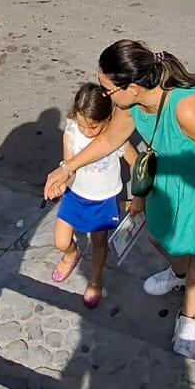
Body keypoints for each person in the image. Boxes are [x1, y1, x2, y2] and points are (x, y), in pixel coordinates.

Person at [44, 41, 195, 359]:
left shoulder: (186, 108)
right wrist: (66, 168)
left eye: (108, 89)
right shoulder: (131, 105)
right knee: (159, 236)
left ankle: (187, 319)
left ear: (130, 86)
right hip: (171, 174)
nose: (105, 96)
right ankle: (178, 275)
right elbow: (108, 139)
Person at [52, 82, 137, 309]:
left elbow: (135, 162)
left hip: (103, 198)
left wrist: (143, 189)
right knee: (61, 241)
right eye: (82, 125)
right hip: (75, 195)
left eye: (93, 127)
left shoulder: (115, 137)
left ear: (108, 119)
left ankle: (96, 277)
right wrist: (62, 184)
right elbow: (69, 167)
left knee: (99, 243)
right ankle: (71, 253)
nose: (87, 131)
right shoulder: (71, 132)